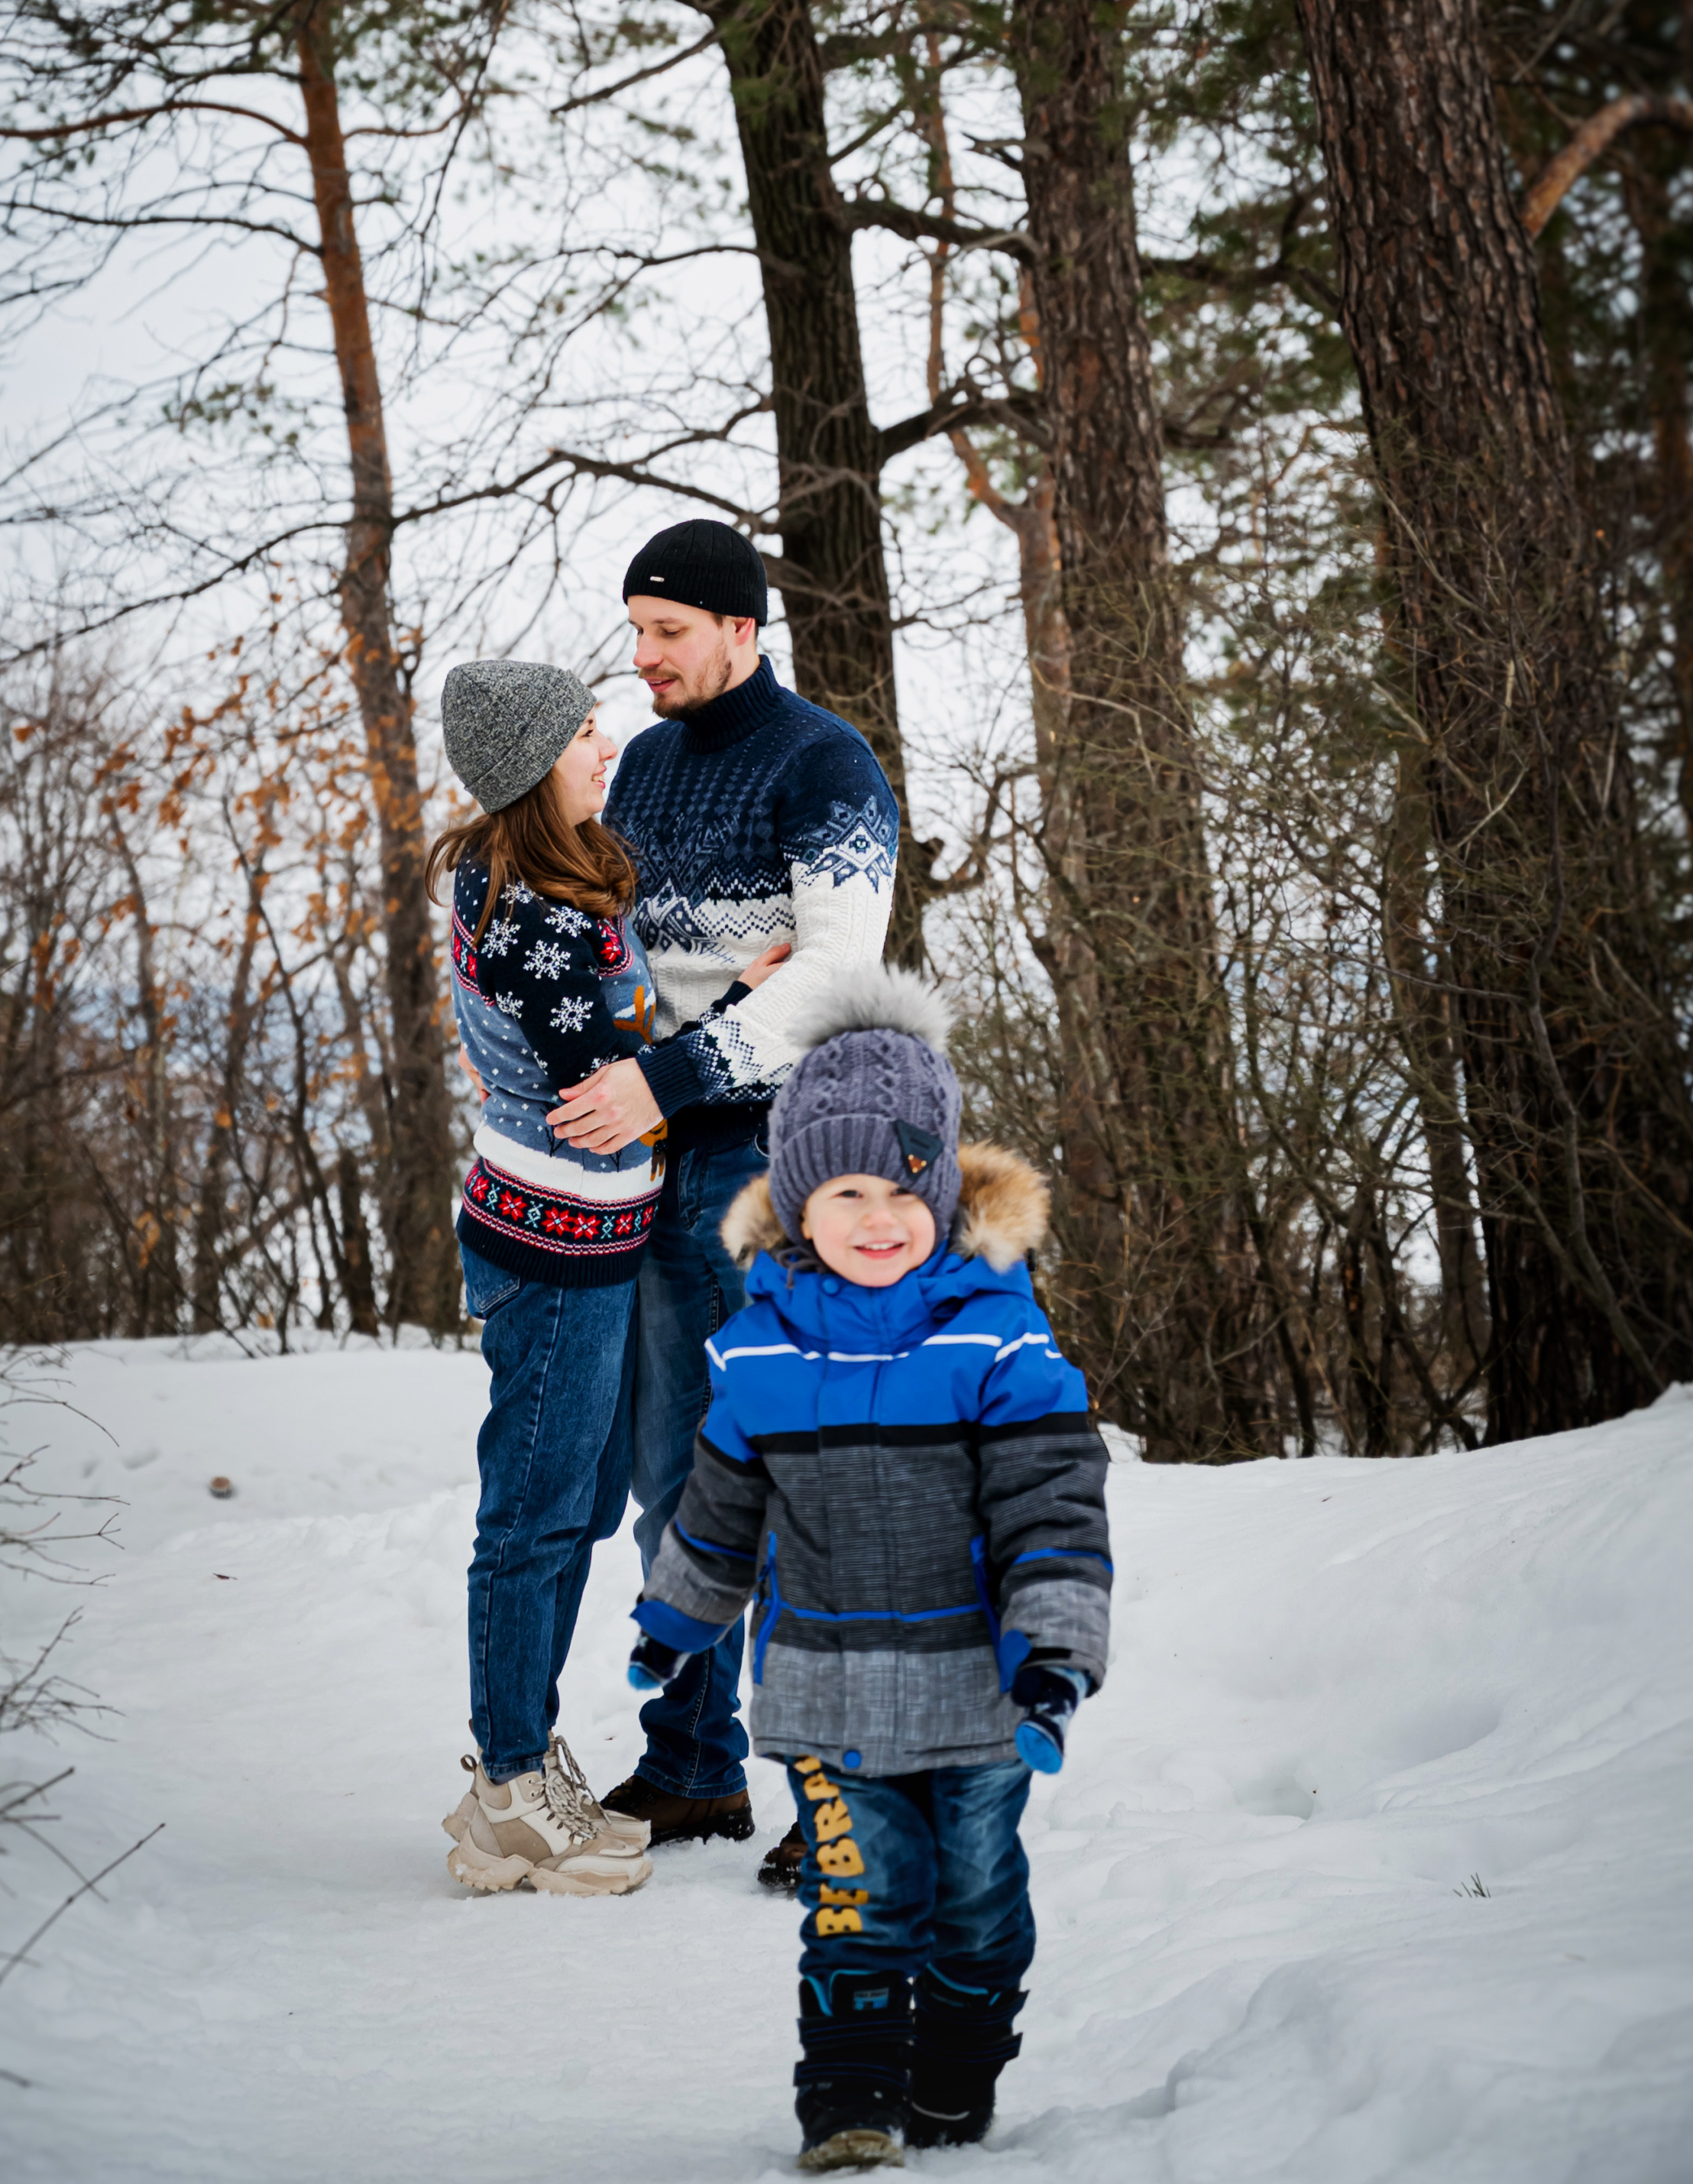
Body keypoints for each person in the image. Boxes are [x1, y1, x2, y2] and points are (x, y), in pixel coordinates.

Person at [626, 966, 1112, 2169]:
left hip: (979, 1697)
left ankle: (951, 2079)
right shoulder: (757, 1351)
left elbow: (1051, 1500)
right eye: (846, 1188)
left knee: (978, 1909)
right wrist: (675, 1618)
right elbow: (720, 1507)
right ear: (797, 1201)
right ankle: (846, 2104)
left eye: (903, 1186)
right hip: (824, 1699)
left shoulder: (997, 1334)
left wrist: (1053, 1645)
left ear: (942, 1190)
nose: (878, 1214)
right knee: (856, 1906)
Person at [543, 519, 898, 1865]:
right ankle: (690, 1763)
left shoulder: (826, 764)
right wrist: (666, 1023)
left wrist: (678, 1062)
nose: (640, 658)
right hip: (653, 1161)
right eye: (633, 630)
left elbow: (832, 974)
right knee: (671, 1480)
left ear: (742, 629)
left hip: (779, 1161)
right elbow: (616, 946)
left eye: (666, 632)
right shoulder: (636, 765)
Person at [430, 656, 787, 1897]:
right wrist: (754, 995)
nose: (607, 743)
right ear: (534, 766)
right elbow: (608, 1083)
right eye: (583, 732)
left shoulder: (546, 878)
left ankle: (518, 1769)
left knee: (566, 1509)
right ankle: (509, 1794)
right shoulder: (533, 907)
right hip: (556, 1245)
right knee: (535, 1515)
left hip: (582, 1233)